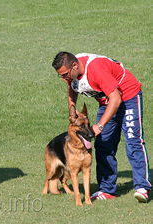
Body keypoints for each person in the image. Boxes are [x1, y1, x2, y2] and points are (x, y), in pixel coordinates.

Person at [52, 51, 151, 203]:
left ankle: (142, 187)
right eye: (61, 76)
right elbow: (72, 87)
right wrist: (72, 108)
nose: (64, 78)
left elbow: (116, 99)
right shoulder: (72, 73)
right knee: (103, 145)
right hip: (107, 102)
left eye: (65, 74)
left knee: (133, 141)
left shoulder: (96, 70)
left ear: (74, 65)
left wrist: (99, 125)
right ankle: (107, 189)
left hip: (128, 98)